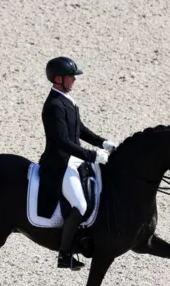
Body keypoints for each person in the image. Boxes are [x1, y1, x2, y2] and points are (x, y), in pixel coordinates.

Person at [37, 56, 116, 270]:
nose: (74, 79)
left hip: (75, 160)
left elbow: (79, 130)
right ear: (59, 79)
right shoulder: (54, 105)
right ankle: (64, 255)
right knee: (80, 204)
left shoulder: (67, 101)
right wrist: (92, 155)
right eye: (71, 76)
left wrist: (103, 143)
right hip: (60, 164)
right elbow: (62, 142)